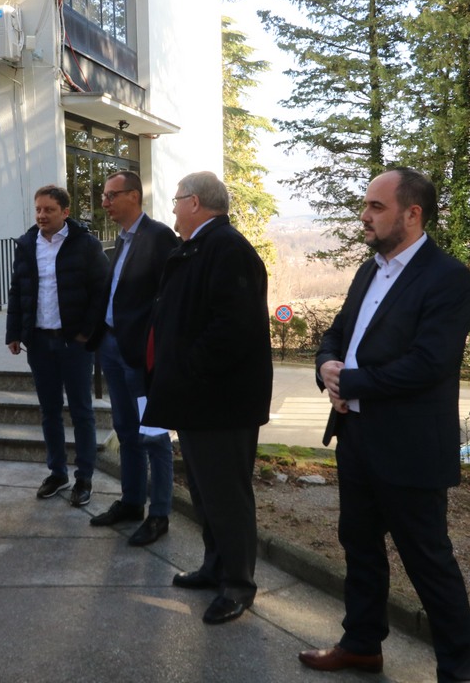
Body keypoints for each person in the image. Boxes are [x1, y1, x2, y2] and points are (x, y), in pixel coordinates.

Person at [302, 168, 470, 682]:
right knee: (358, 546)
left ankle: (456, 671)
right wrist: (326, 365)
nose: (365, 216)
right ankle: (362, 645)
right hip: (356, 438)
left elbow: (429, 364)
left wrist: (350, 382)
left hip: (411, 446)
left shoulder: (448, 277)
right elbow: (336, 333)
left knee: (429, 562)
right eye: (366, 205)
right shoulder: (368, 270)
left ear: (412, 213)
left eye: (376, 207)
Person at [143, 171, 272, 625]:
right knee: (204, 492)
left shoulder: (227, 248)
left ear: (195, 202)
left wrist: (187, 366)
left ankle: (238, 585)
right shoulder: (199, 246)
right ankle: (215, 567)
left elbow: (233, 328)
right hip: (198, 399)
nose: (173, 208)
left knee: (226, 496)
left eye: (177, 200)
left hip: (221, 403)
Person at [88, 171, 178, 546]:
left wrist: (151, 347)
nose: (104, 202)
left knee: (153, 435)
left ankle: (159, 514)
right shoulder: (122, 239)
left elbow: (169, 299)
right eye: (104, 195)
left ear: (134, 196)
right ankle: (131, 502)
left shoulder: (159, 237)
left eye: (111, 195)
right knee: (125, 431)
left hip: (140, 357)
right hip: (112, 348)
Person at [6, 185, 108, 506]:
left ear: (65, 212)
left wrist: (86, 333)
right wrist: (14, 332)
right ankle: (57, 472)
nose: (41, 215)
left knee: (81, 411)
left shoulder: (86, 245)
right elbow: (17, 291)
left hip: (73, 343)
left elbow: (101, 292)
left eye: (48, 210)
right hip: (39, 342)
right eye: (38, 209)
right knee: (49, 411)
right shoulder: (27, 245)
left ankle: (84, 477)